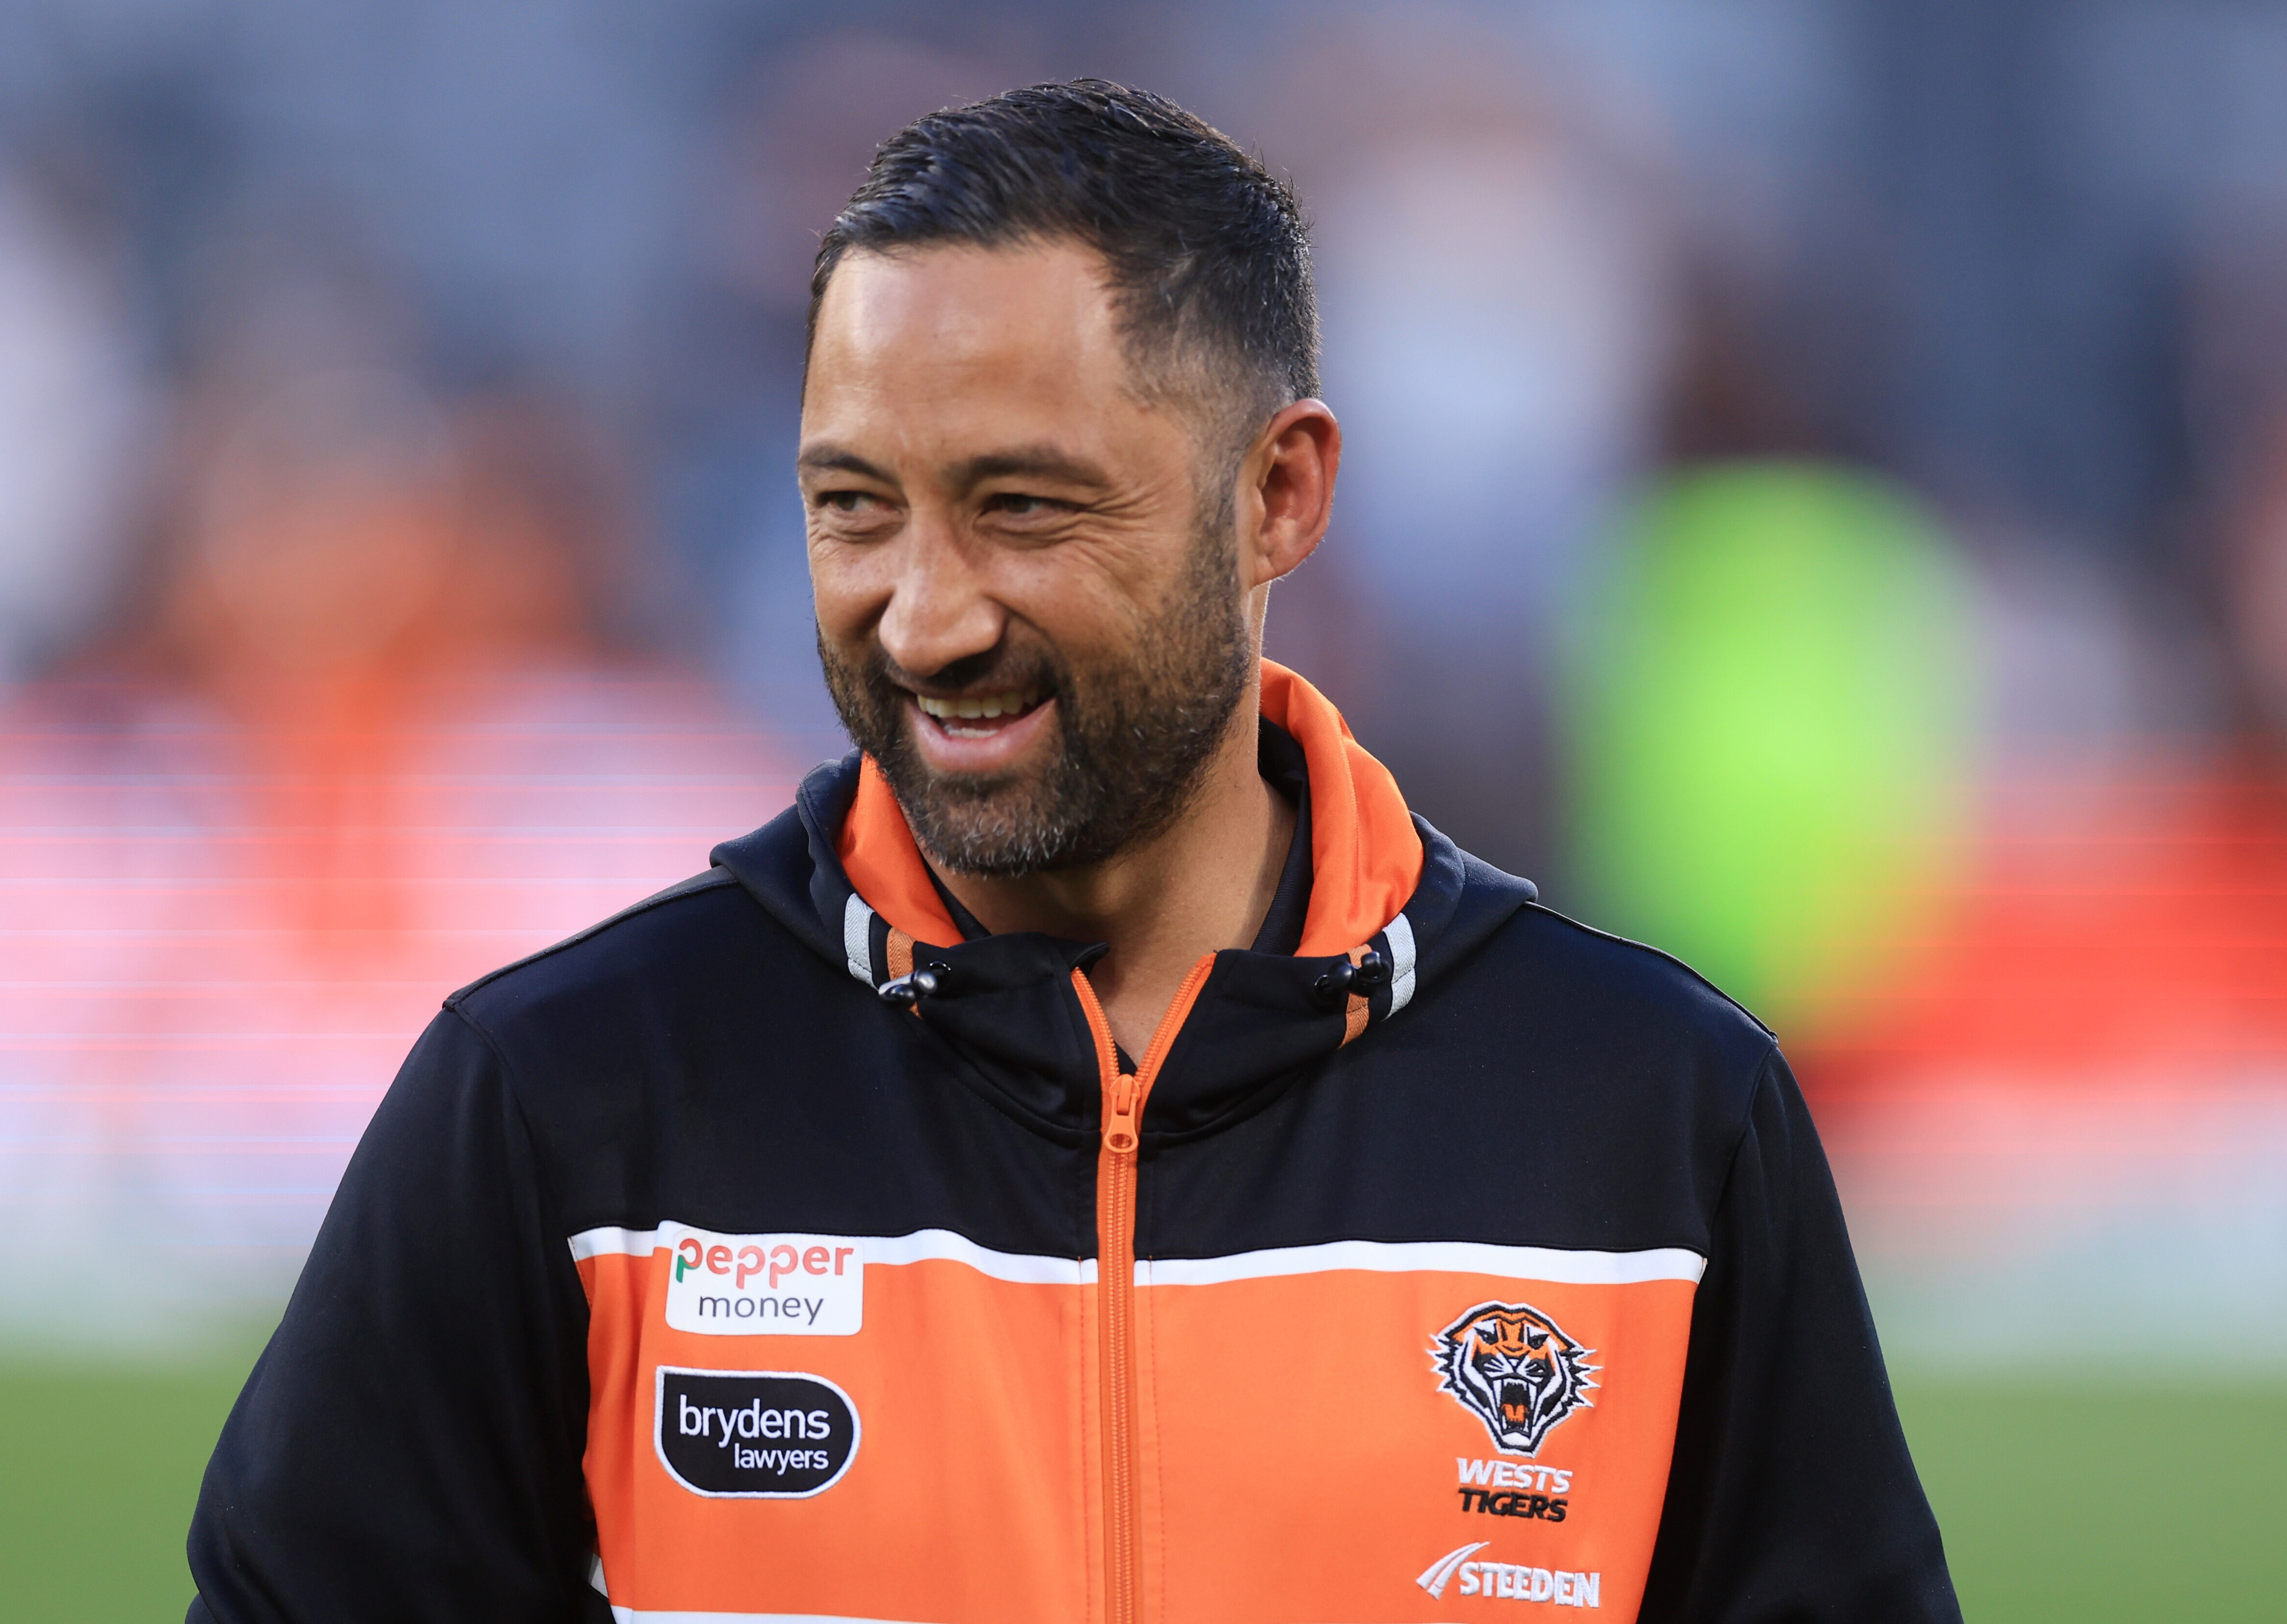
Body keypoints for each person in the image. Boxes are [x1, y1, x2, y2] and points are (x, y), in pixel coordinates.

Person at [186, 81, 1958, 1624]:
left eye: (1024, 506)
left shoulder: (1650, 1117)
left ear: (1280, 498)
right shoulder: (564, 1102)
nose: (926, 617)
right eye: (853, 506)